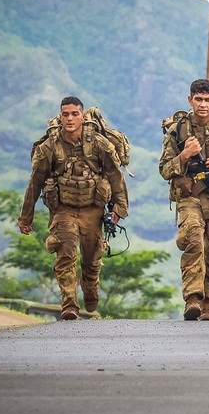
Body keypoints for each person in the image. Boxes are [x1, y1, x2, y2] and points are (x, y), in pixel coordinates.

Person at [18, 96, 129, 320]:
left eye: (74, 114)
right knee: (65, 252)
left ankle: (90, 288)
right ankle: (69, 304)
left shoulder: (98, 143)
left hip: (92, 210)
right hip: (63, 210)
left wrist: (119, 209)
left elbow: (115, 177)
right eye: (65, 114)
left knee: (91, 258)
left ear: (83, 116)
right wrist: (25, 218)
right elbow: (35, 182)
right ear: (60, 116)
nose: (70, 118)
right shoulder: (50, 146)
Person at [159, 79, 209, 321]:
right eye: (198, 99)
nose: (203, 105)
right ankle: (193, 298)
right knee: (193, 240)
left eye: (207, 100)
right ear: (190, 100)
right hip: (190, 196)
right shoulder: (178, 130)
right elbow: (164, 169)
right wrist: (184, 155)